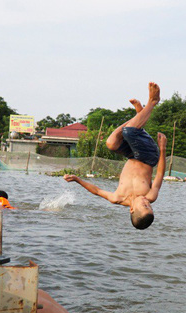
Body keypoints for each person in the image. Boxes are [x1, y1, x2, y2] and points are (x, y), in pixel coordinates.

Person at [64, 82, 166, 230]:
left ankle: (139, 116)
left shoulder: (117, 197)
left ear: (132, 209)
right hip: (148, 156)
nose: (147, 202)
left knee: (111, 143)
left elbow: (97, 191)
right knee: (129, 131)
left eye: (144, 206)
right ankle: (153, 102)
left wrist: (77, 179)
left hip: (132, 155)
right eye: (149, 206)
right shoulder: (150, 195)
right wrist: (162, 149)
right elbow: (160, 174)